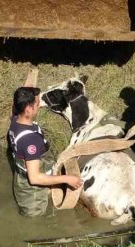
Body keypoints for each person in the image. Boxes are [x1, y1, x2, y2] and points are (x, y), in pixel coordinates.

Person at [7, 86, 83, 217]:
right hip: (33, 195)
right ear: (28, 109)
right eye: (37, 104)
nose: (40, 106)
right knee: (36, 222)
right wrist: (67, 179)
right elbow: (35, 178)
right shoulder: (30, 140)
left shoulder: (15, 119)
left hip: (22, 177)